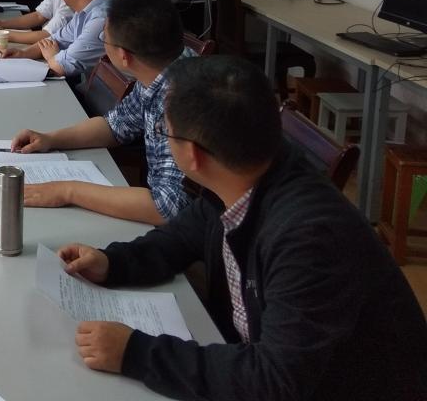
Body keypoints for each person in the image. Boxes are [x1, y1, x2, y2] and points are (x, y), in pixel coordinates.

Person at [58, 55, 427, 401]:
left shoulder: (308, 237)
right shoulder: (242, 174)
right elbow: (180, 237)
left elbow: (275, 380)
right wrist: (113, 262)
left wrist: (136, 354)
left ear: (193, 155)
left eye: (164, 132)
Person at [10, 0, 191, 224]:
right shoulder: (162, 69)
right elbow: (115, 126)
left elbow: (168, 207)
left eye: (104, 38)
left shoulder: (177, 100)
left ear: (124, 56)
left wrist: (67, 191)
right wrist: (50, 139)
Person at [2, 0, 112, 78]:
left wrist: (52, 56)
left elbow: (60, 67)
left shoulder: (100, 19)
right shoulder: (85, 10)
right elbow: (54, 40)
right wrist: (23, 54)